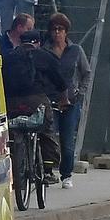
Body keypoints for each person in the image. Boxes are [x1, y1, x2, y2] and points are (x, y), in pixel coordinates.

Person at [3, 28, 66, 176]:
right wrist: (64, 99)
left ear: (20, 41)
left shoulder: (8, 57)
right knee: (46, 129)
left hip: (11, 102)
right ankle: (48, 170)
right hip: (36, 100)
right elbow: (60, 81)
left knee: (11, 132)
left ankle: (12, 166)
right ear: (38, 43)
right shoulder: (45, 56)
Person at [44, 12, 92, 190]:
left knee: (67, 140)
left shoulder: (76, 51)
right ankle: (47, 171)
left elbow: (86, 73)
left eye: (61, 29)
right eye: (54, 29)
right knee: (49, 137)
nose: (57, 33)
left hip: (71, 102)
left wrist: (80, 93)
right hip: (50, 100)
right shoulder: (45, 50)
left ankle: (66, 174)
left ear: (66, 32)